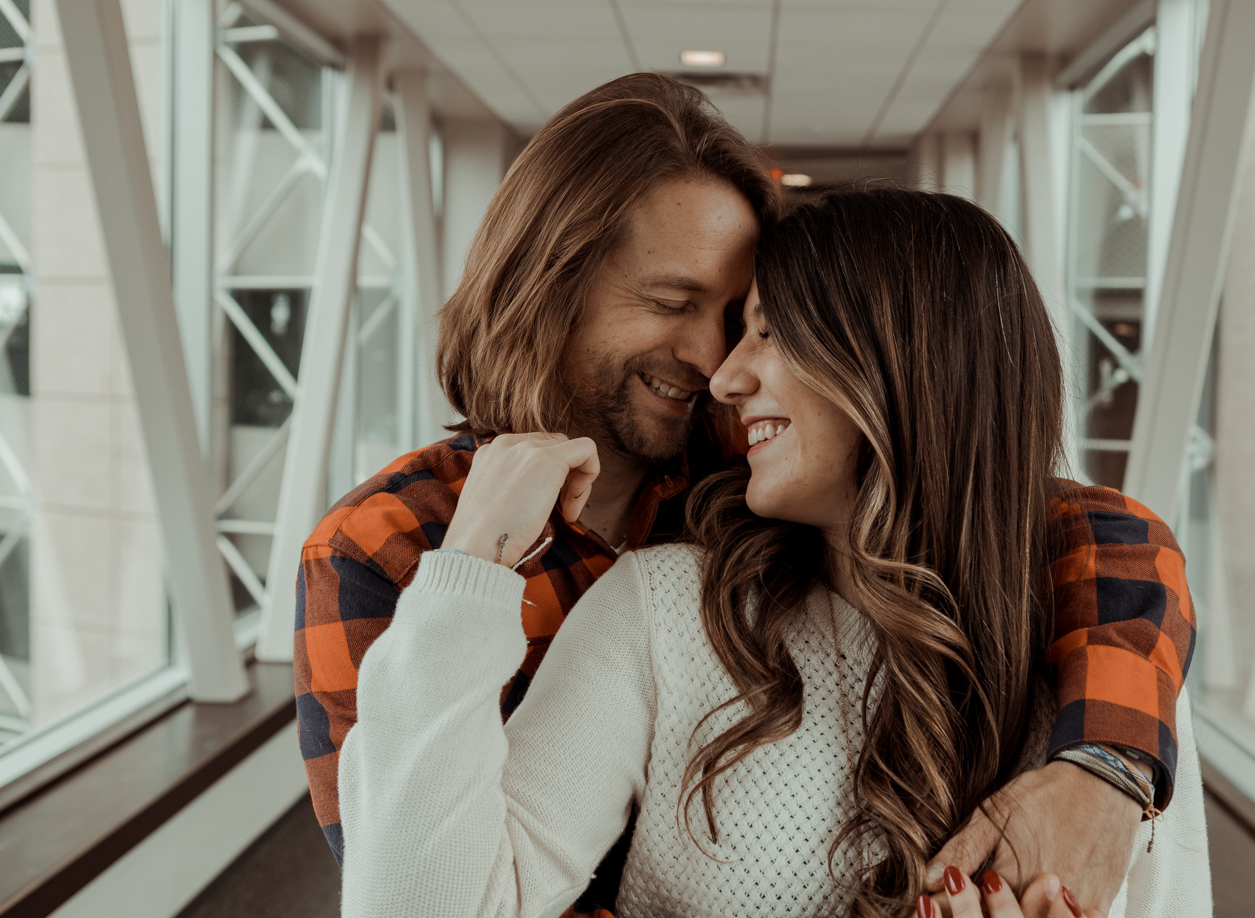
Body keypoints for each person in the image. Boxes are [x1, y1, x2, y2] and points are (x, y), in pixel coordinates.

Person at [292, 74, 1196, 916]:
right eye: (671, 300)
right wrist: (472, 565)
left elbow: (1087, 528)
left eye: (745, 321)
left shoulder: (744, 481)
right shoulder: (394, 550)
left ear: (897, 372)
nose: (716, 366)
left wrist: (1107, 764)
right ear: (550, 289)